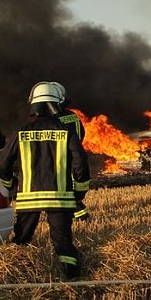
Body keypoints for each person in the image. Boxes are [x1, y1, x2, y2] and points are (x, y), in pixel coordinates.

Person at [0, 82, 90, 280]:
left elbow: (2, 164)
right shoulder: (66, 131)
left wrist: (10, 185)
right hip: (60, 197)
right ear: (56, 104)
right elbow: (81, 163)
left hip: (28, 198)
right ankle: (71, 279)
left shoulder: (21, 132)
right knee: (63, 243)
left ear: (34, 105)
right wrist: (80, 191)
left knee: (21, 240)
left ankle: (18, 278)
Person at [51, 82, 89, 220]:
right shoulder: (73, 115)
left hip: (62, 160)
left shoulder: (53, 120)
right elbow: (82, 134)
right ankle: (78, 216)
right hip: (76, 157)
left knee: (67, 193)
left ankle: (81, 217)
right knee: (72, 192)